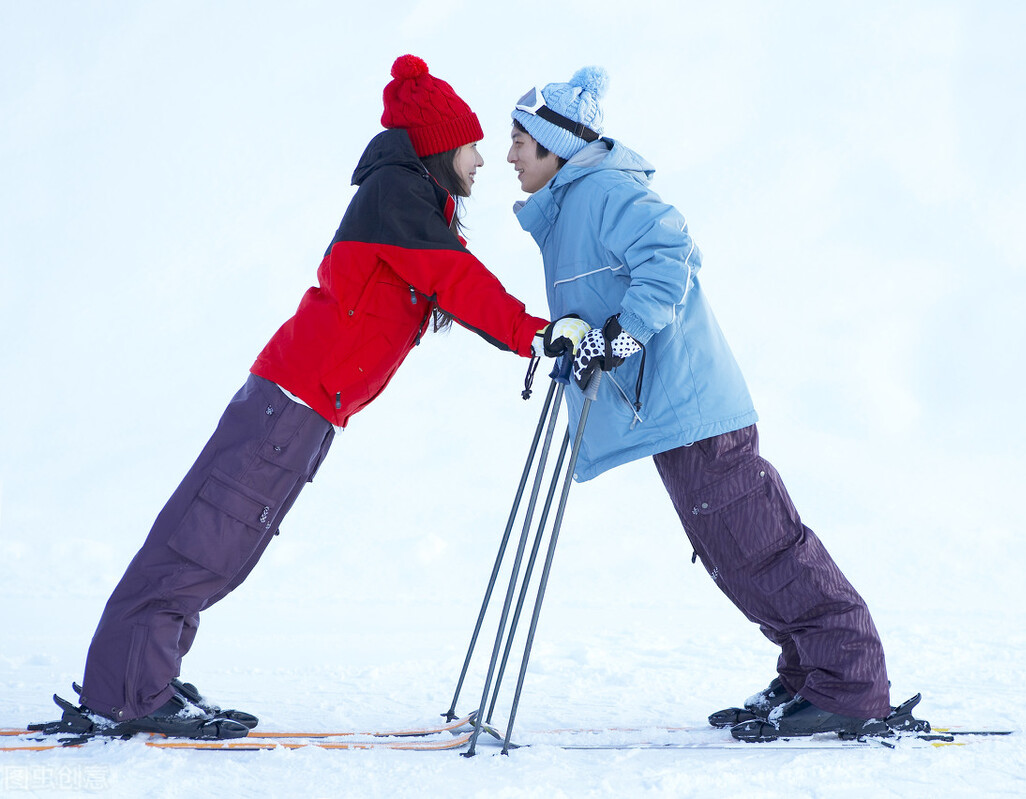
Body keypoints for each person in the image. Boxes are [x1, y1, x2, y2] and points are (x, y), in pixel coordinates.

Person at [45, 55, 589, 741]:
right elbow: (456, 280)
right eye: (471, 145)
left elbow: (447, 280)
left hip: (300, 407)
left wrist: (531, 335)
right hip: (290, 403)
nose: (481, 160)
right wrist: (535, 334)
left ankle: (142, 676)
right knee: (203, 543)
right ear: (438, 147)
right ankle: (128, 691)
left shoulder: (409, 198)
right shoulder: (397, 194)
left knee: (218, 546)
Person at [506, 67, 920, 740]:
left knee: (760, 545)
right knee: (737, 549)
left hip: (692, 407)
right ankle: (811, 672)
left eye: (521, 140)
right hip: (672, 413)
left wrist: (624, 332)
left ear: (556, 145)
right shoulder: (577, 201)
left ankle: (849, 683)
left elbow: (672, 254)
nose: (509, 155)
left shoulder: (604, 189)